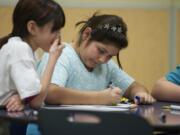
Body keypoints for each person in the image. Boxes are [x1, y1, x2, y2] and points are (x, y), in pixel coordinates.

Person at [27, 13, 156, 135]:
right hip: (47, 129)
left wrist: (140, 93)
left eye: (110, 56)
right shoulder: (60, 54)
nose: (102, 59)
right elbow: (50, 93)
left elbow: (134, 86)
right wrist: (99, 98)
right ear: (86, 34)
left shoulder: (106, 65)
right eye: (100, 50)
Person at [0, 0, 65, 112]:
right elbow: (36, 101)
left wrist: (23, 99)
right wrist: (53, 58)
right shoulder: (20, 48)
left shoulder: (29, 51)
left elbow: (33, 94)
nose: (58, 37)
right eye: (54, 30)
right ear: (32, 28)